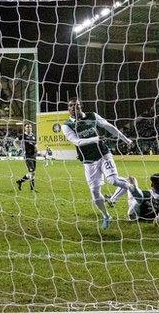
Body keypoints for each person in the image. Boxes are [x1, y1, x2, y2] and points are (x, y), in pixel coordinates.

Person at [61, 97, 134, 230]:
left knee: (113, 180)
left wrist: (125, 139)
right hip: (88, 161)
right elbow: (77, 141)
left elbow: (109, 127)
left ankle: (134, 189)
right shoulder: (66, 126)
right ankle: (106, 216)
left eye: (76, 105)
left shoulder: (92, 116)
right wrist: (95, 138)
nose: (73, 108)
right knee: (94, 192)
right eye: (71, 106)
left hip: (103, 154)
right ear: (68, 109)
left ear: (80, 106)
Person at [15, 124, 37, 191]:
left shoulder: (33, 136)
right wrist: (18, 148)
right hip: (27, 155)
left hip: (33, 155)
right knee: (32, 171)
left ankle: (20, 181)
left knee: (32, 172)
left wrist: (36, 148)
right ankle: (32, 189)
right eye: (27, 127)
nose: (29, 128)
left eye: (30, 127)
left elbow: (35, 144)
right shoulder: (23, 136)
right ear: (25, 128)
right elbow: (15, 142)